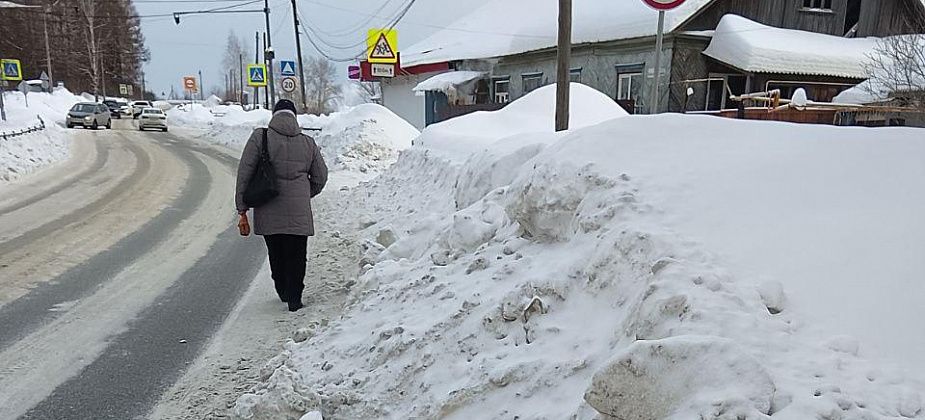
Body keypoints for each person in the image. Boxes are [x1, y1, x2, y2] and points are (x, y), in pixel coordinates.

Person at [235, 99, 328, 312]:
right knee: (297, 254)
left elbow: (245, 173)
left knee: (276, 252)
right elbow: (321, 177)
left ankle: (282, 289)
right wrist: (304, 194)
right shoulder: (308, 143)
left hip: (268, 205)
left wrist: (242, 207)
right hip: (298, 210)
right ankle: (295, 298)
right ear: (295, 117)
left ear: (274, 115)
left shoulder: (260, 137)